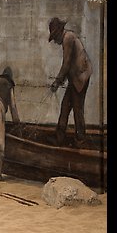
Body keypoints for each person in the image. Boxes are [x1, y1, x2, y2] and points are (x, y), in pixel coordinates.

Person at [47, 17, 93, 147]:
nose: (55, 41)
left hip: (81, 78)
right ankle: (60, 138)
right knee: (65, 107)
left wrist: (57, 82)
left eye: (54, 36)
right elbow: (68, 66)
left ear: (59, 32)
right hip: (76, 78)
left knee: (77, 109)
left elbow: (66, 64)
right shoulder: (68, 38)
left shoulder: (68, 38)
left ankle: (80, 140)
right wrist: (60, 80)